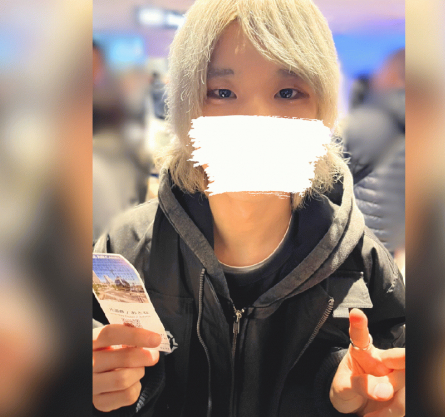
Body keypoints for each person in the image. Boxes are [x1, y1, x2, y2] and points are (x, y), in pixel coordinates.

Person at [92, 1, 405, 416]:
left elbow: (391, 368)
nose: (257, 119)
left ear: (322, 112)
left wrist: (348, 397)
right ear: (187, 110)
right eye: (222, 93)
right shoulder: (124, 250)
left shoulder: (364, 265)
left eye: (288, 92)